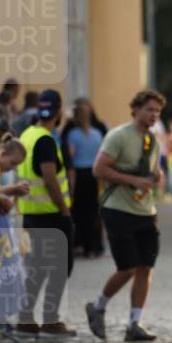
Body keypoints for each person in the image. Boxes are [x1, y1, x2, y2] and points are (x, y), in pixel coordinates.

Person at [86, 89, 166, 342]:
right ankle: (98, 306)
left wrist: (157, 177)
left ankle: (134, 323)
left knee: (145, 267)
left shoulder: (152, 140)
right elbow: (98, 169)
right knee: (127, 267)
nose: (154, 115)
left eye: (157, 111)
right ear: (136, 110)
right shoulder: (118, 136)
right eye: (150, 109)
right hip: (118, 208)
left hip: (145, 210)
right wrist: (133, 180)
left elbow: (151, 171)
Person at [15, 89, 77, 336]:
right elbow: (50, 178)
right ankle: (50, 320)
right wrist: (64, 209)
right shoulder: (46, 140)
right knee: (61, 266)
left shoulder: (27, 135)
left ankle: (26, 317)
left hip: (31, 213)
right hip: (51, 215)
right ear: (58, 111)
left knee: (37, 267)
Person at [67, 101, 104, 257]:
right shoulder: (97, 134)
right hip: (94, 174)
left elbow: (71, 157)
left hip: (79, 174)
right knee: (93, 211)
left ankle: (80, 244)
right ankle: (94, 246)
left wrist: (71, 186)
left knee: (78, 211)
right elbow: (100, 155)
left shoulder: (73, 135)